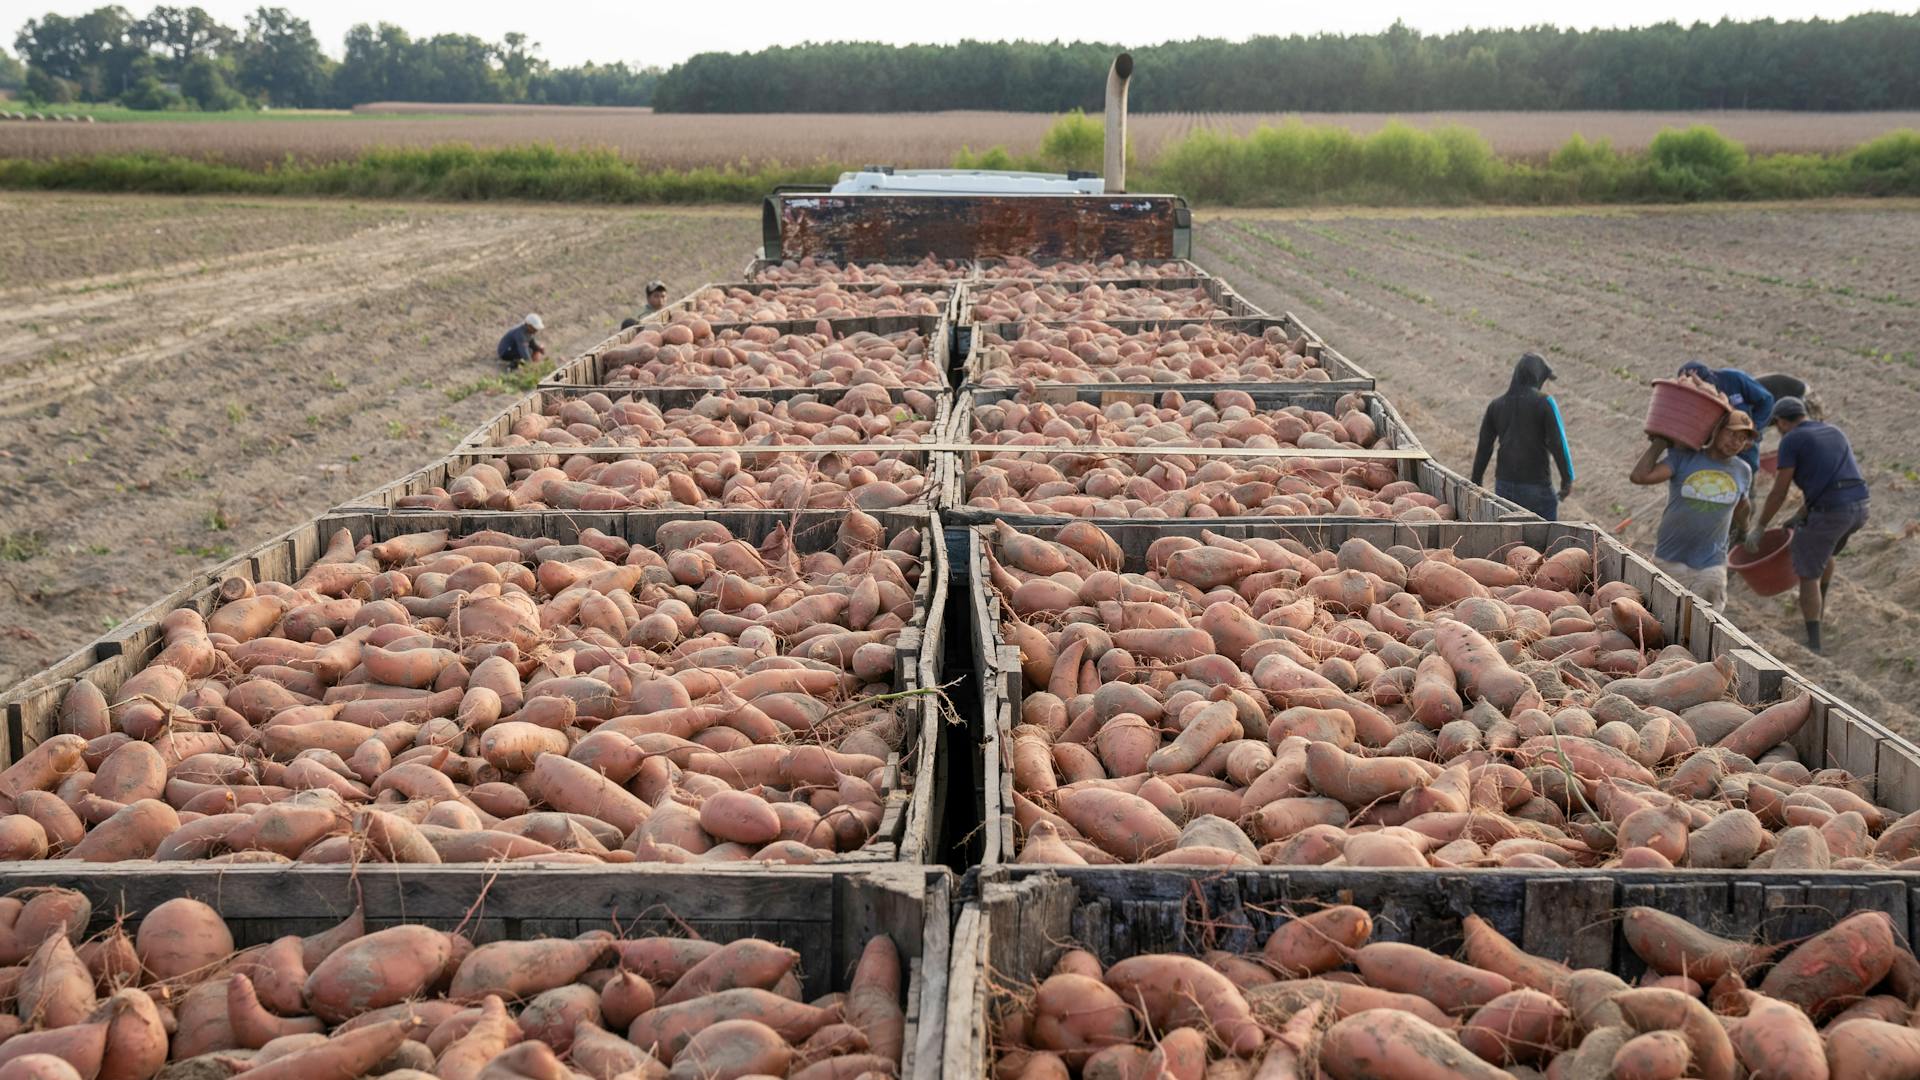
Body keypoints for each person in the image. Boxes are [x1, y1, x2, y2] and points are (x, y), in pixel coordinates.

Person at [1747, 397, 1869, 653]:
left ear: (1781, 421)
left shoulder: (1791, 439)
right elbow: (1832, 480)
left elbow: (1779, 491)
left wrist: (1760, 526)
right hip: (1859, 507)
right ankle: (1820, 609)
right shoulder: (1833, 430)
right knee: (1826, 550)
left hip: (1832, 513)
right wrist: (1801, 514)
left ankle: (1813, 642)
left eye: (1777, 425)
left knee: (1807, 572)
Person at [1630, 409, 1755, 609]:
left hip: (1711, 563)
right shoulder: (1684, 458)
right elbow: (1640, 477)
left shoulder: (1743, 470)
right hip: (1670, 558)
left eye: (1742, 439)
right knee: (1662, 618)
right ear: (1716, 430)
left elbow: (1742, 504)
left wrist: (1745, 529)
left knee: (1705, 624)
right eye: (1732, 434)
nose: (1735, 442)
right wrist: (1660, 442)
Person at [1471, 352, 1575, 519]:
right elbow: (1558, 443)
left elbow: (1484, 447)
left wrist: (1476, 480)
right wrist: (1567, 478)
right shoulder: (1545, 403)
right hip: (1536, 486)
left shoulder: (1496, 406)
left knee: (1510, 538)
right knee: (1543, 539)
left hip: (1504, 485)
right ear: (1538, 377)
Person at [1678, 361, 1772, 476]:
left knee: (1743, 475)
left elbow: (1766, 400)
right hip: (1712, 450)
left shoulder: (1733, 378)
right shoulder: (1685, 398)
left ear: (1712, 375)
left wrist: (1754, 428)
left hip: (1743, 446)